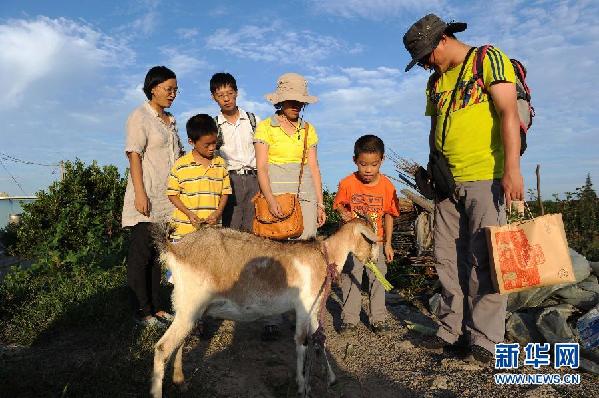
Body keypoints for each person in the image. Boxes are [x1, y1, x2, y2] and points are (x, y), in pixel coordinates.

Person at [403, 14, 524, 363]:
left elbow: (508, 112)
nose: (426, 64)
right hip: (446, 184)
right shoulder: (435, 82)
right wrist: (430, 169)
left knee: (484, 259)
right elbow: (436, 127)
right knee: (447, 260)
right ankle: (453, 331)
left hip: (486, 176)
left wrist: (512, 169)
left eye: (427, 55)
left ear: (443, 39)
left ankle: (485, 340)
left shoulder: (487, 59)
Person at [253, 72, 326, 340]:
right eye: (291, 100)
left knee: (306, 255)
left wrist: (320, 202)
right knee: (274, 254)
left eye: (300, 100)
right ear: (280, 101)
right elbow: (261, 167)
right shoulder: (264, 127)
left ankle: (305, 314)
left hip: (304, 191)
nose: (296, 105)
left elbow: (314, 167)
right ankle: (271, 317)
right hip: (275, 191)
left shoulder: (309, 129)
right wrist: (270, 200)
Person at [122, 66, 183, 326]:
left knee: (159, 256)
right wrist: (139, 193)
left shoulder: (171, 121)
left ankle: (157, 307)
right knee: (141, 257)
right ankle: (142, 311)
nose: (173, 94)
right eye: (169, 89)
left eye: (175, 90)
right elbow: (134, 154)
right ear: (153, 87)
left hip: (166, 200)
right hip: (146, 196)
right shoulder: (140, 116)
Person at [333, 135, 399, 335]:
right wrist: (342, 213)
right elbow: (338, 205)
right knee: (351, 277)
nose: (368, 170)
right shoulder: (347, 183)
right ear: (355, 161)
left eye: (374, 164)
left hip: (376, 243)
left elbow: (389, 215)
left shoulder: (387, 186)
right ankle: (350, 319)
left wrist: (388, 243)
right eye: (363, 164)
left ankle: (378, 318)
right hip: (353, 244)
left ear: (382, 161)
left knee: (378, 279)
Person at [166, 114, 231, 242]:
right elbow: (172, 194)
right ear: (191, 142)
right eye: (207, 145)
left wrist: (218, 213)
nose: (212, 148)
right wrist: (189, 214)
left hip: (212, 233)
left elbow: (225, 192)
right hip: (184, 234)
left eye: (214, 143)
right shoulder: (181, 165)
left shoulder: (220, 163)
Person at [210, 73, 261, 232]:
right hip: (229, 181)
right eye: (220, 95)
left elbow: (263, 154)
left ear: (237, 93)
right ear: (214, 97)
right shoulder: (214, 125)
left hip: (254, 178)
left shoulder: (253, 120)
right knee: (231, 230)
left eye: (230, 94)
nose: (226, 99)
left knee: (254, 229)